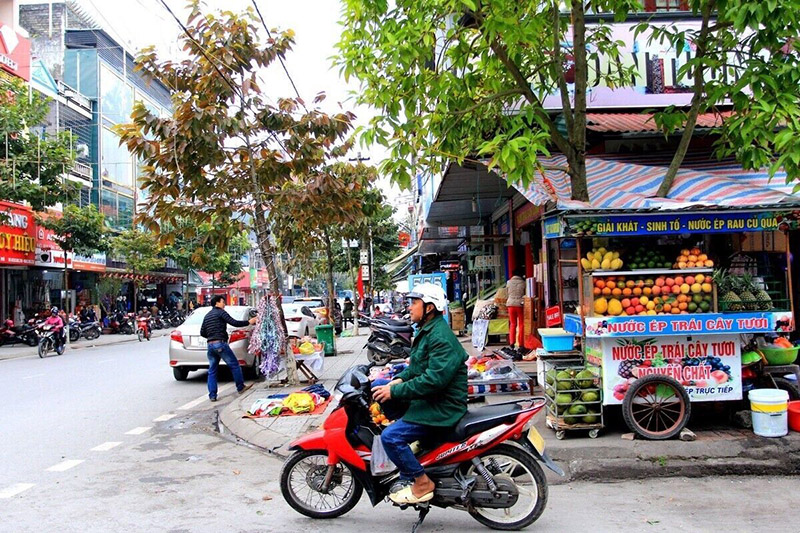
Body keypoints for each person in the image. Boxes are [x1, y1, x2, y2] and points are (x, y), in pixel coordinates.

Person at [372, 283, 468, 505]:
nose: (410, 307)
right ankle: (418, 443)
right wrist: (397, 380)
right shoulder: (428, 330)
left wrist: (395, 390)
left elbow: (434, 380)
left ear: (429, 308)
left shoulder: (439, 337)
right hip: (433, 398)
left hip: (442, 406)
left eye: (414, 303)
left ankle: (422, 482)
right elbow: (417, 368)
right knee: (380, 387)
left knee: (390, 437)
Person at [199, 295, 257, 402]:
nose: (224, 304)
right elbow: (234, 322)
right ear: (217, 303)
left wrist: (212, 336)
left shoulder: (207, 315)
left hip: (210, 345)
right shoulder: (221, 312)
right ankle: (240, 387)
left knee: (212, 370)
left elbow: (202, 332)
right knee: (234, 365)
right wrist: (249, 322)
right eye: (223, 302)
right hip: (220, 343)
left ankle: (212, 395)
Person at [506, 266, 526, 349]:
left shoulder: (508, 282)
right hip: (520, 304)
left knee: (512, 324)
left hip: (510, 304)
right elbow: (525, 294)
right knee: (521, 324)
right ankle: (521, 343)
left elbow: (507, 293)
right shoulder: (523, 283)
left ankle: (511, 342)